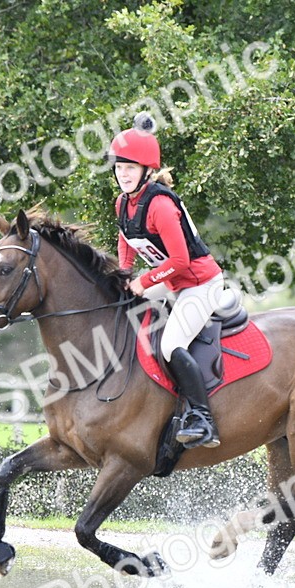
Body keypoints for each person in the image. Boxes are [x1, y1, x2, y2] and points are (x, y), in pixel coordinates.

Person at [110, 112, 237, 449]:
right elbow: (126, 239)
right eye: (119, 167)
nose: (123, 174)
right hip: (172, 280)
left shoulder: (161, 206)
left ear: (146, 171)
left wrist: (144, 281)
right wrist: (125, 275)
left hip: (199, 282)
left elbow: (180, 261)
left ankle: (202, 419)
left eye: (130, 168)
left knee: (169, 344)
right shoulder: (122, 203)